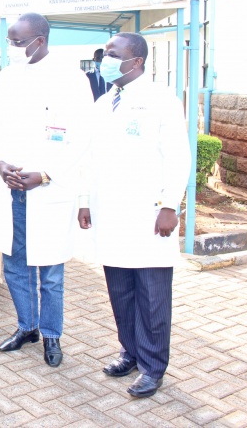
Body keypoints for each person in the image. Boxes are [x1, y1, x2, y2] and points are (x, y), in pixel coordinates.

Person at [78, 32, 190, 398]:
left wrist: (170, 205)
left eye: (112, 54)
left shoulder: (161, 100)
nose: (104, 59)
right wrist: (84, 201)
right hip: (110, 215)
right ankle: (130, 351)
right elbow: (89, 158)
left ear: (137, 60)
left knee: (152, 295)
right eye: (104, 53)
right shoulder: (103, 102)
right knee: (120, 292)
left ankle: (153, 366)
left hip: (148, 215)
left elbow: (178, 156)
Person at [0, 13, 91, 367]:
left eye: (17, 42)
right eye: (10, 41)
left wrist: (45, 174)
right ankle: (26, 326)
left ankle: (52, 335)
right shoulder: (7, 75)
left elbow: (81, 138)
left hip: (48, 188)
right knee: (14, 264)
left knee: (50, 271)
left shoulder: (71, 78)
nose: (11, 48)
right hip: (11, 186)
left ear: (39, 41)